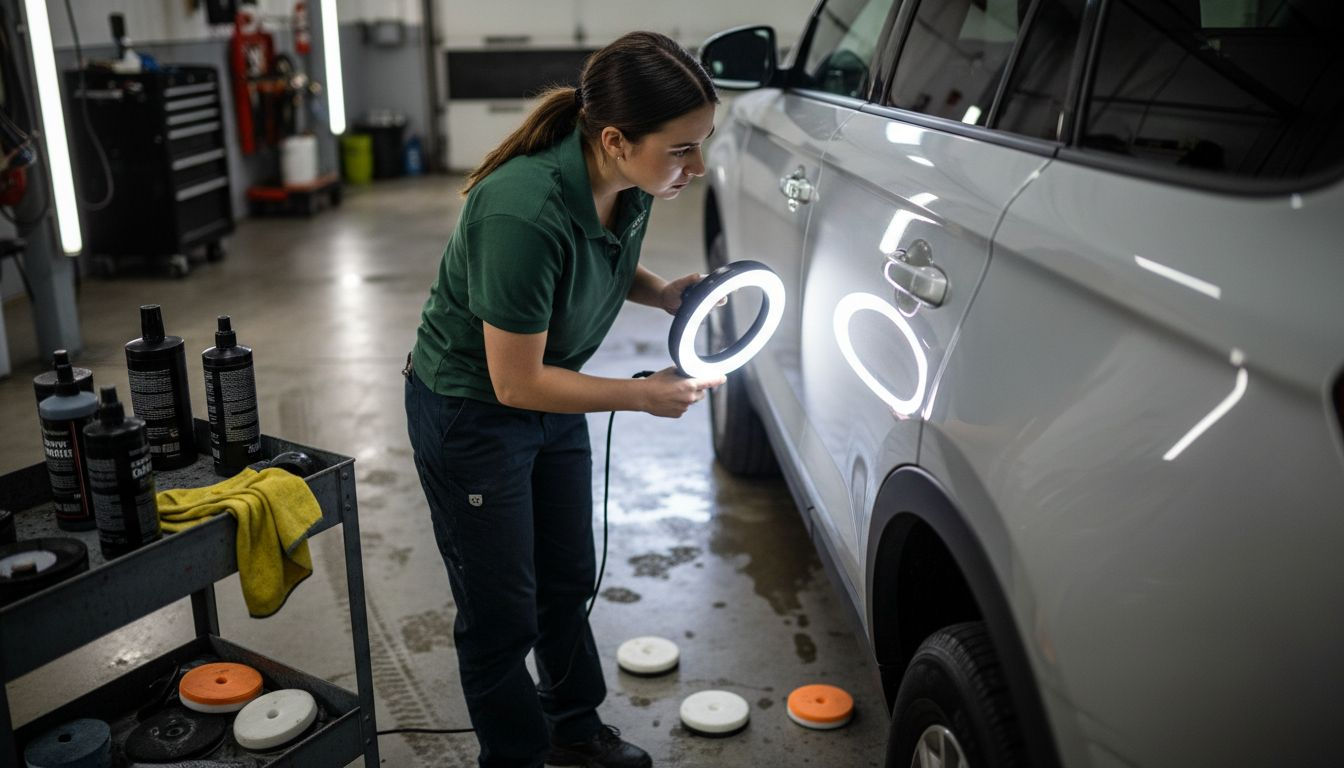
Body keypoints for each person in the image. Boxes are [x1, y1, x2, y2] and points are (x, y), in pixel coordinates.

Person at [404, 31, 724, 768]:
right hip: (474, 414)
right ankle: (515, 759)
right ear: (615, 139)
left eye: (701, 144)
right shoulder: (520, 209)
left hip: (551, 395)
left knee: (567, 577)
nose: (696, 167)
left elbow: (602, 253)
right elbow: (515, 382)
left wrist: (660, 293)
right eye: (682, 148)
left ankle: (575, 732)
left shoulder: (628, 181)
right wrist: (642, 398)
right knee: (500, 615)